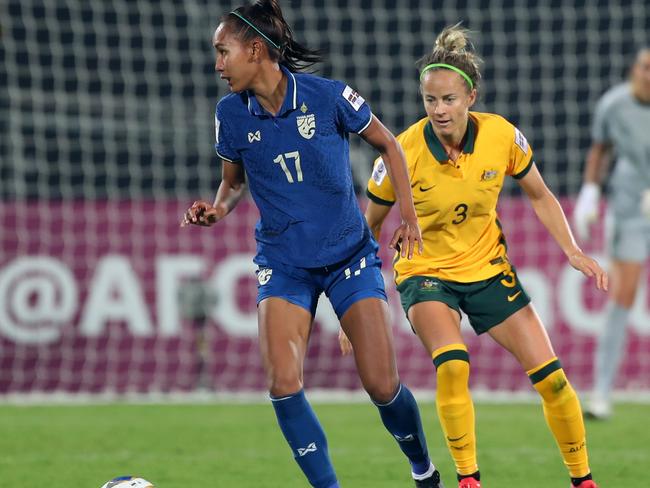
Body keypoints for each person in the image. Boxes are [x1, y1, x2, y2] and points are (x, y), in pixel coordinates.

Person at [181, 1, 443, 487]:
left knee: (383, 386)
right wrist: (218, 209)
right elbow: (234, 182)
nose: (218, 64)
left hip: (348, 255)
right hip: (284, 264)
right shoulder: (230, 115)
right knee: (282, 384)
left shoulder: (328, 96)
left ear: (255, 50)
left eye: (223, 52)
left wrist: (408, 215)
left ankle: (424, 471)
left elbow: (391, 145)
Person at [346, 24, 607, 488]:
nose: (439, 110)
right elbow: (368, 229)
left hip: (487, 270)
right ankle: (469, 480)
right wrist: (352, 306)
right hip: (425, 272)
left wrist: (573, 251)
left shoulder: (501, 135)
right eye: (430, 100)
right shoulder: (400, 152)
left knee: (554, 381)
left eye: (448, 99)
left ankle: (583, 480)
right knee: (453, 363)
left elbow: (542, 195)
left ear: (470, 96)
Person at [573, 47, 650, 420]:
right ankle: (602, 392)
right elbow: (600, 150)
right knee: (623, 294)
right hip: (631, 207)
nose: (648, 75)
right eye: (645, 67)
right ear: (634, 69)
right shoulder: (614, 105)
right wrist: (590, 193)